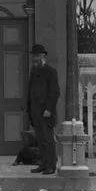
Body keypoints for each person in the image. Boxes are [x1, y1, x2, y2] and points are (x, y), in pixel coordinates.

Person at [26, 43, 60, 175]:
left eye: (38, 55)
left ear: (44, 56)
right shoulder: (34, 72)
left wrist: (49, 109)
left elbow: (55, 92)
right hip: (35, 111)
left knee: (48, 139)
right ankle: (43, 164)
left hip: (46, 112)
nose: (35, 58)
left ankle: (51, 165)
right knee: (40, 139)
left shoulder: (51, 71)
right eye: (34, 55)